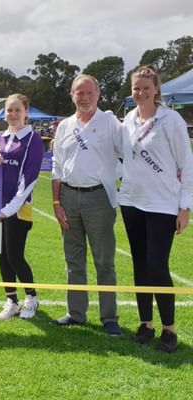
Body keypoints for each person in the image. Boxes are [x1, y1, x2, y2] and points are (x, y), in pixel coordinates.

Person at [119, 65, 193, 352]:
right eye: (136, 88)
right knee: (139, 265)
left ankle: (169, 329)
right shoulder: (128, 119)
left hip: (163, 204)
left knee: (157, 266)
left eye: (146, 88)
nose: (140, 93)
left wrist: (184, 207)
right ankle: (145, 323)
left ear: (156, 90)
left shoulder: (171, 120)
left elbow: (186, 166)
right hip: (131, 202)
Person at [51, 74, 123, 335]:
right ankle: (76, 313)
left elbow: (127, 154)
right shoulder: (64, 126)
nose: (84, 97)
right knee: (74, 260)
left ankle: (109, 318)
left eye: (89, 93)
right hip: (68, 198)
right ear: (72, 95)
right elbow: (57, 165)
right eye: (78, 93)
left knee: (104, 260)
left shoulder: (111, 123)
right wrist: (57, 201)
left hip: (99, 199)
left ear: (98, 95)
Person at [0, 93, 44, 320]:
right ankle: (11, 301)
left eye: (17, 110)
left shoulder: (33, 139)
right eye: (9, 110)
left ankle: (32, 298)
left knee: (15, 256)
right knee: (2, 255)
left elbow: (29, 179)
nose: (13, 114)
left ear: (26, 112)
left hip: (18, 209)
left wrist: (9, 209)